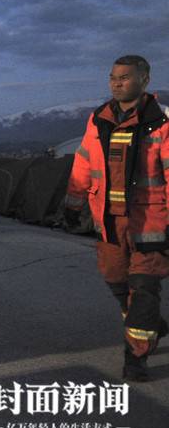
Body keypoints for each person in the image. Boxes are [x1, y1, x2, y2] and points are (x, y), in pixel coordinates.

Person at [64, 54, 169, 382]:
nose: (116, 82)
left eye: (124, 76)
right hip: (108, 220)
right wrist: (73, 202)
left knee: (144, 287)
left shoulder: (162, 122)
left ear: (145, 79)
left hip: (149, 221)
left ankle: (136, 357)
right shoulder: (98, 119)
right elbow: (83, 162)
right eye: (112, 77)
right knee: (116, 280)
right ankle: (152, 325)